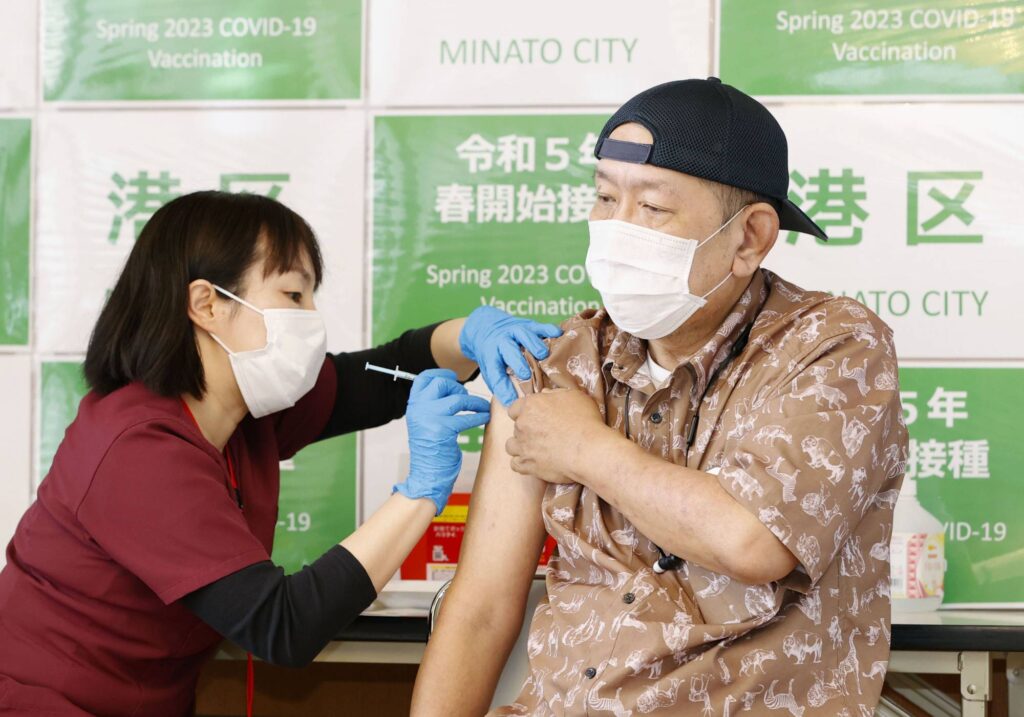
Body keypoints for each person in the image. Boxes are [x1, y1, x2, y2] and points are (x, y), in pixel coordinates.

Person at [414, 78, 909, 716]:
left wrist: (585, 448)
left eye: (651, 209)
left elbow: (752, 542)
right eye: (604, 197)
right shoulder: (565, 359)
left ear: (750, 237)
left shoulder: (829, 346)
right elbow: (481, 604)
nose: (616, 230)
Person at [0, 190, 560, 716]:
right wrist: (419, 492)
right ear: (206, 304)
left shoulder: (241, 413)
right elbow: (284, 627)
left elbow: (384, 376)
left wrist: (470, 335)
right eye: (293, 295)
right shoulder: (136, 449)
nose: (310, 318)